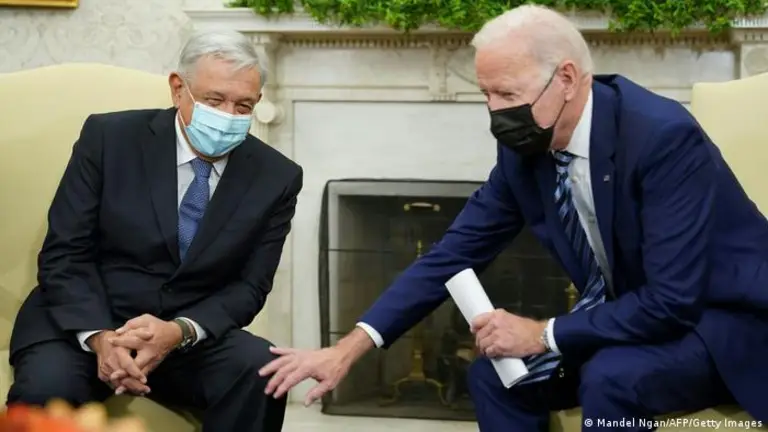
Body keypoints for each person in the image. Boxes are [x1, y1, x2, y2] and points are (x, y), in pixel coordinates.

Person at [258, 5, 768, 431]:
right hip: (633, 319)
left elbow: (672, 301)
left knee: (611, 376)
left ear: (566, 78)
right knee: (496, 376)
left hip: (721, 324)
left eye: (508, 94)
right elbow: (451, 254)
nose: (496, 113)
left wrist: (542, 334)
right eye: (486, 94)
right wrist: (348, 350)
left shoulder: (661, 137)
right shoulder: (526, 152)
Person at [6, 29, 302, 432]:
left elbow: (250, 287)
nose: (228, 115)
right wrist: (101, 337)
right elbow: (65, 253)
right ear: (178, 89)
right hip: (81, 323)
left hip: (182, 337)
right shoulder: (109, 139)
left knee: (265, 370)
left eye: (243, 106)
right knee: (46, 392)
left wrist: (178, 332)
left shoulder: (277, 177)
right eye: (215, 100)